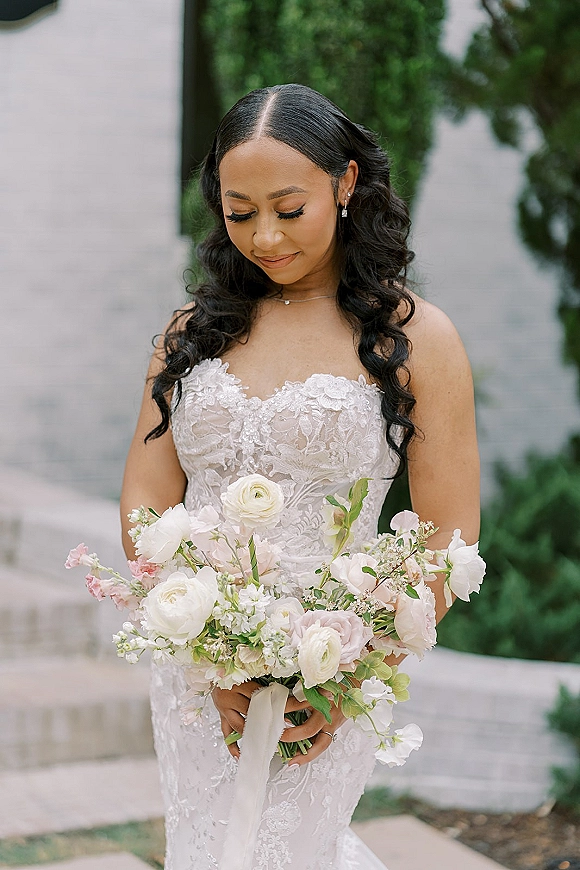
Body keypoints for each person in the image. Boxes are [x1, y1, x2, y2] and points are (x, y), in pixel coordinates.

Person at [120, 83, 480, 870]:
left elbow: (451, 534)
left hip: (336, 668)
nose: (264, 235)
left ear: (345, 185)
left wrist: (353, 671)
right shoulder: (191, 337)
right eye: (239, 211)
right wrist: (209, 653)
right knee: (207, 848)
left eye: (289, 208)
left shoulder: (417, 340)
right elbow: (147, 498)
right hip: (196, 666)